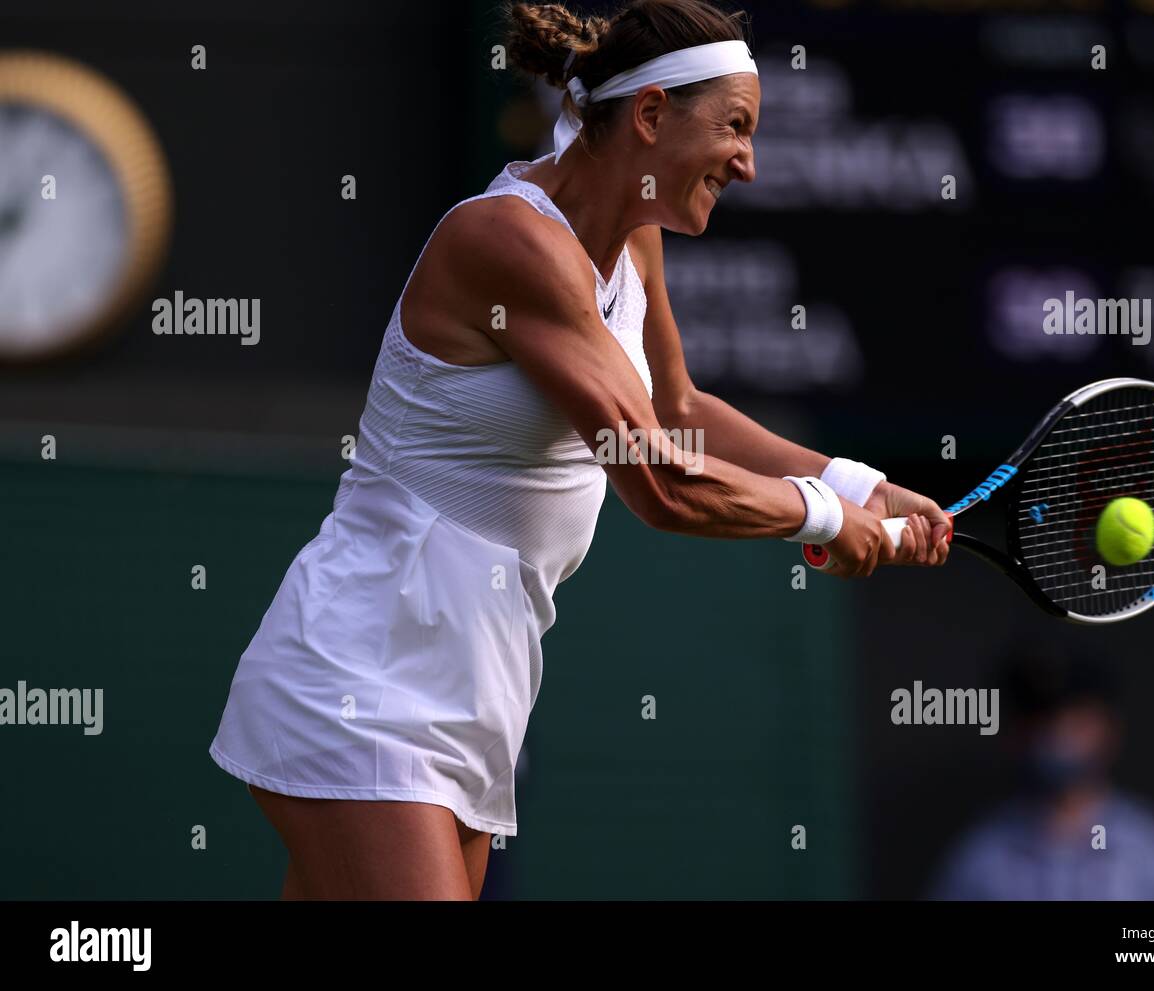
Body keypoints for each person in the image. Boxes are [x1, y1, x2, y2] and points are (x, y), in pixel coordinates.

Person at [208, 0, 951, 901]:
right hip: (364, 673)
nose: (749, 162)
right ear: (649, 116)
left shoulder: (633, 238)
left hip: (477, 686)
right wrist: (824, 518)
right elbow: (660, 481)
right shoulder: (508, 240)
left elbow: (677, 407)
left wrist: (857, 480)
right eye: (736, 127)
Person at [928, 645, 1154, 900]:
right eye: (1038, 720)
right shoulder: (980, 856)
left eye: (1075, 719)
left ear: (1108, 729)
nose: (1056, 736)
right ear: (1013, 733)